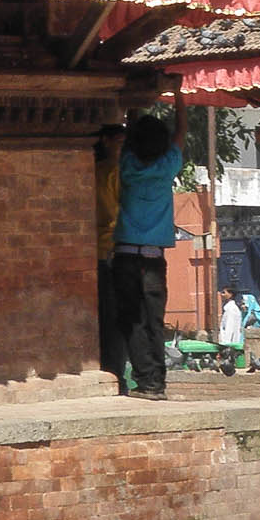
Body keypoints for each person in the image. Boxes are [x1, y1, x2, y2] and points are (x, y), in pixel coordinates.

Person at [110, 106, 182, 401]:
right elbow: (181, 133)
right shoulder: (168, 167)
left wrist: (132, 106)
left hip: (125, 255)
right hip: (154, 259)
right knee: (154, 321)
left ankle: (145, 380)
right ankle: (157, 383)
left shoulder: (126, 165)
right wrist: (180, 97)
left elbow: (130, 138)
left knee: (132, 320)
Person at [92, 124, 127, 387]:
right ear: (105, 141)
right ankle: (115, 372)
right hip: (111, 250)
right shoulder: (114, 172)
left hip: (99, 250)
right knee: (116, 318)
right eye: (119, 142)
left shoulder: (95, 170)